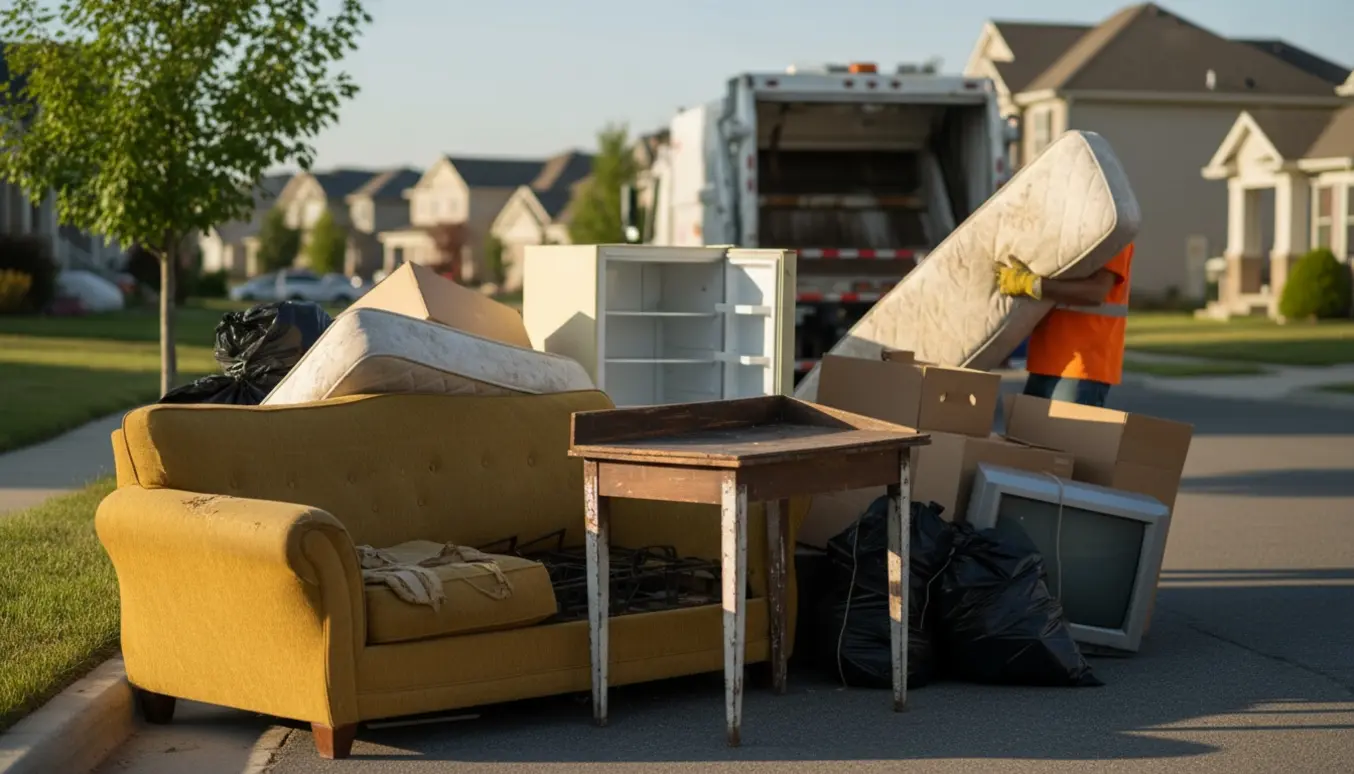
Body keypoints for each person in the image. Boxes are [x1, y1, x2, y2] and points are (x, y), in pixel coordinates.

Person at [995, 243, 1134, 407]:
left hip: (1082, 364)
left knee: (1062, 432)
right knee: (1031, 432)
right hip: (1045, 360)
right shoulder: (1072, 228)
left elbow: (1096, 292)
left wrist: (1033, 285)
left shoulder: (1114, 229)